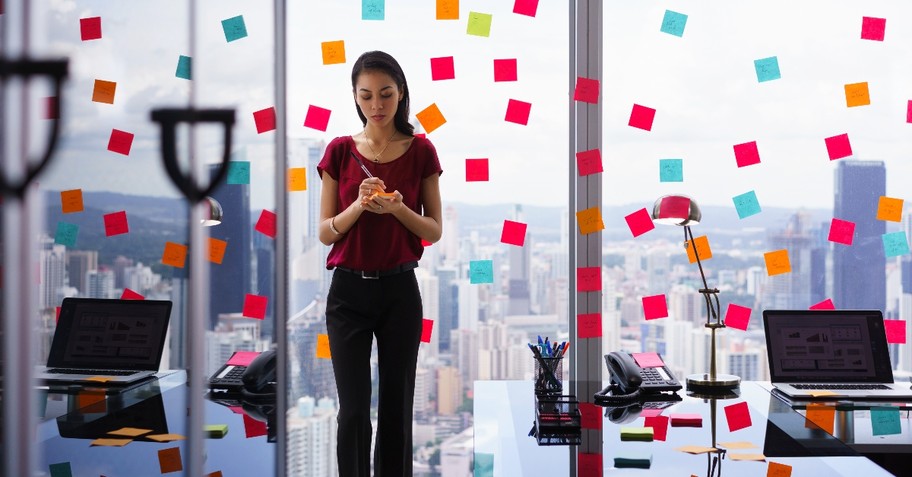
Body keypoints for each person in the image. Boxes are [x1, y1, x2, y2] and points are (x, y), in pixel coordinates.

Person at [317, 50, 443, 476]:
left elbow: (432, 230)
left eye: (386, 94)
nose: (376, 105)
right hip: (347, 294)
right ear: (355, 96)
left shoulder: (422, 150)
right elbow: (325, 231)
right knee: (352, 411)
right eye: (366, 95)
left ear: (401, 93)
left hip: (399, 292)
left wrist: (397, 209)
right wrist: (359, 205)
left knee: (396, 408)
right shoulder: (338, 151)